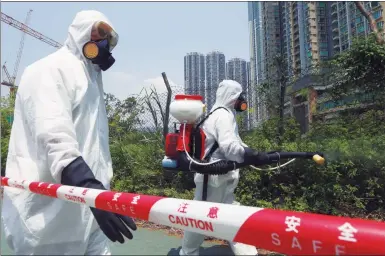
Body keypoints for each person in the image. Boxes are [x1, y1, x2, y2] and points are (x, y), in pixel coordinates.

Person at [1, 10, 137, 255]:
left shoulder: (92, 81)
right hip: (48, 221)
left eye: (108, 38)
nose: (102, 41)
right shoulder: (48, 70)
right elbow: (53, 136)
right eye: (97, 32)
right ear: (79, 31)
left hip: (89, 211)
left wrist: (98, 193)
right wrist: (91, 189)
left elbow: (93, 148)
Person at [180, 80, 261, 256]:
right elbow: (229, 147)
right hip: (215, 178)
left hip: (219, 177)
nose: (241, 100)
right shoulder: (224, 115)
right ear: (232, 96)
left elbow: (232, 143)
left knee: (232, 214)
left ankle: (247, 253)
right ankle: (187, 252)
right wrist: (247, 154)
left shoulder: (214, 113)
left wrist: (251, 152)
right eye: (239, 96)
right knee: (198, 218)